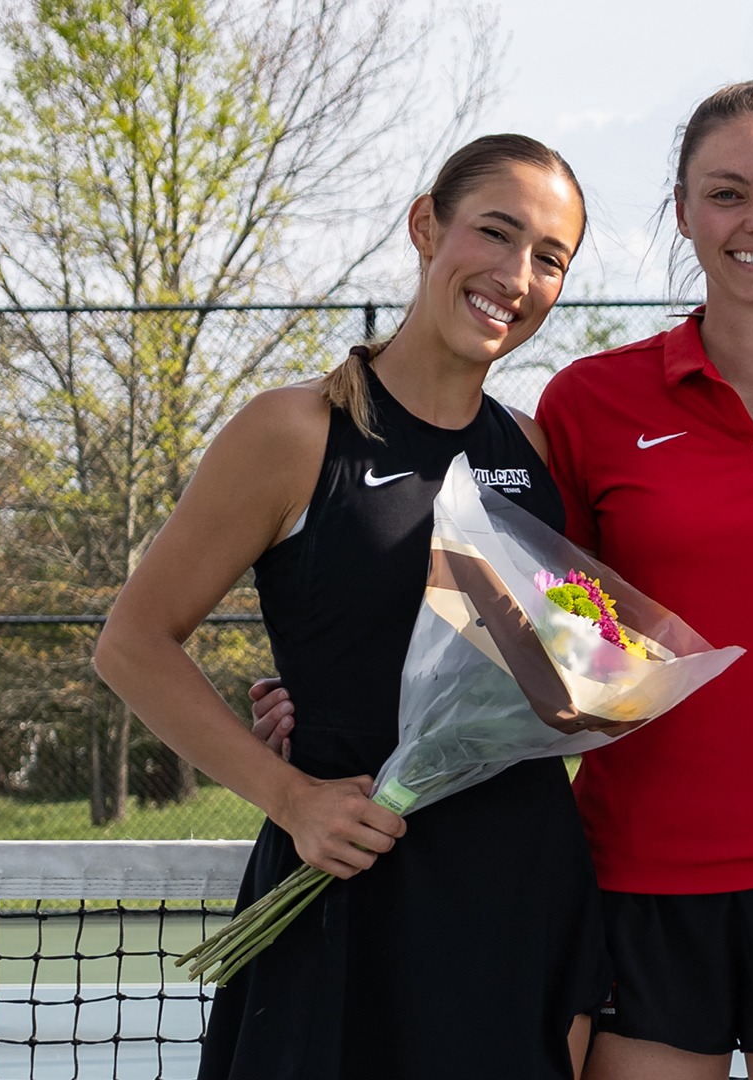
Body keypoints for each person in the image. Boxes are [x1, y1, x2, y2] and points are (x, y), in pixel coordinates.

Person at [254, 78, 753, 1079]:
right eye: (726, 193)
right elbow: (512, 619)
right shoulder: (586, 406)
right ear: (683, 214)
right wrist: (317, 698)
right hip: (629, 883)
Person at [93, 134, 609, 1080]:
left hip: (519, 888)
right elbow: (132, 643)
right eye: (495, 234)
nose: (516, 275)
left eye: (550, 259)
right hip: (345, 880)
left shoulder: (537, 452)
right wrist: (291, 796)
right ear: (425, 226)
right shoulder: (293, 432)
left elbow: (566, 668)